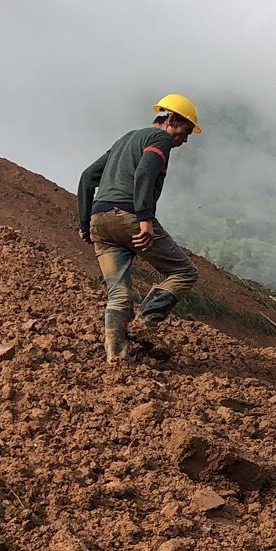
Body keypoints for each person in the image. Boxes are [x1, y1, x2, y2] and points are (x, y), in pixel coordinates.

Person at [76, 94, 204, 362]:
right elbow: (145, 173)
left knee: (119, 293)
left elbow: (88, 177)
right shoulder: (160, 139)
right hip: (129, 217)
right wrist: (144, 219)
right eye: (185, 129)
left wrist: (85, 222)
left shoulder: (126, 139)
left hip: (101, 222)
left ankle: (117, 354)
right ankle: (144, 324)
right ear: (171, 119)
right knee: (184, 272)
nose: (185, 138)